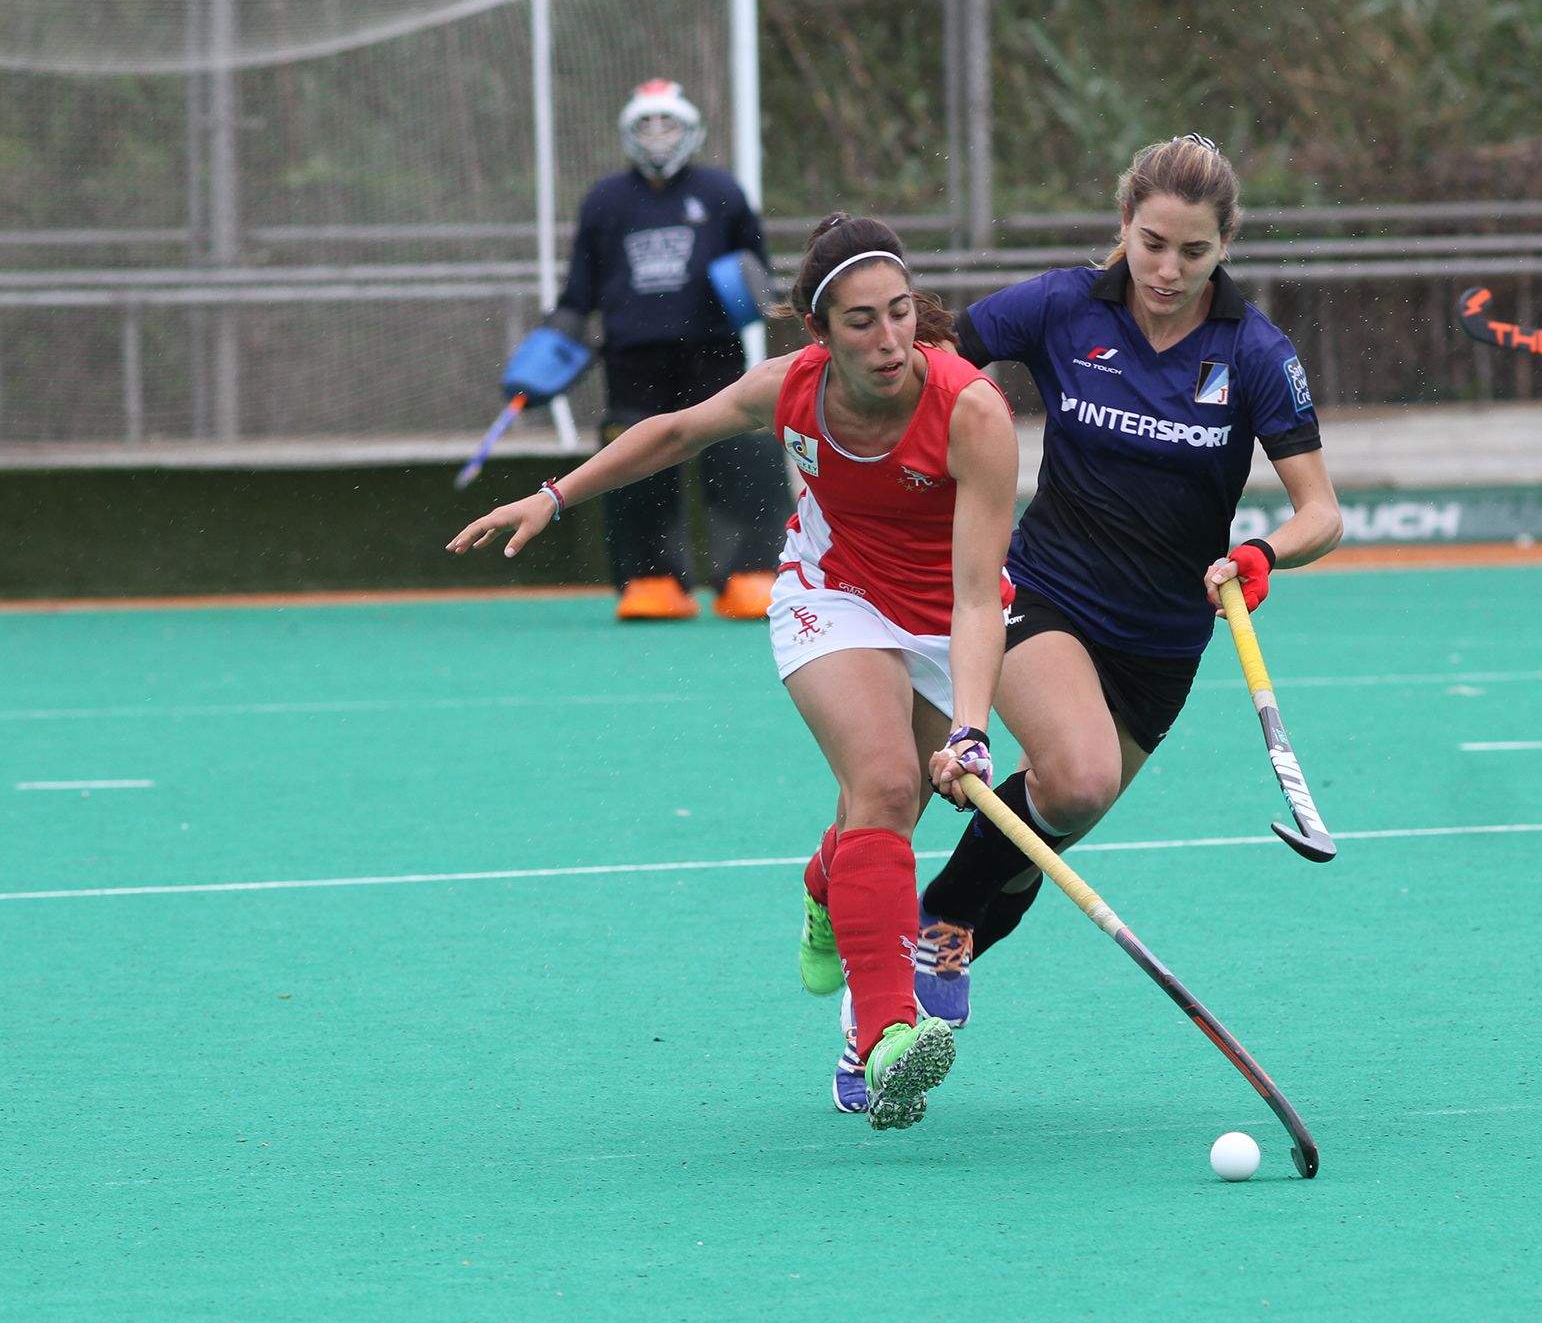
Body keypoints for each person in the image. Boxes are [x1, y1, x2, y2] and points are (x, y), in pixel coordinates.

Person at [453, 214, 1018, 1130]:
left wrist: (970, 727)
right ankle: (883, 1039)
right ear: (818, 333)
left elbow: (978, 596)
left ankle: (827, 884)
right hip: (828, 595)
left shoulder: (972, 412)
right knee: (881, 783)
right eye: (862, 321)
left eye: (902, 314)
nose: (889, 340)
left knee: (889, 813)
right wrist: (553, 495)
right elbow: (674, 431)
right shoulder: (789, 390)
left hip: (943, 614)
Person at [795, 134, 1342, 1055]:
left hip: (1163, 639)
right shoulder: (1061, 308)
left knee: (1068, 802)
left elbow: (1321, 509)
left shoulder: (1253, 351)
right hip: (1043, 593)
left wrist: (1263, 555)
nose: (1168, 269)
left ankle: (941, 913)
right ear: (1124, 224)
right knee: (1080, 769)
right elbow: (924, 360)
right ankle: (928, 938)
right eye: (1153, 242)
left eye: (1194, 251)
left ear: (1225, 248)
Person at [500, 79, 790, 622]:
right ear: (627, 134)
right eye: (645, 125)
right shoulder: (605, 201)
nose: (658, 136)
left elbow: (758, 273)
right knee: (634, 465)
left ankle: (752, 573)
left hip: (713, 354)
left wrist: (760, 299)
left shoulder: (722, 191)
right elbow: (578, 292)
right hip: (633, 360)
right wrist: (548, 349)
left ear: (692, 128)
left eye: (669, 123)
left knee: (742, 459)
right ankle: (650, 579)